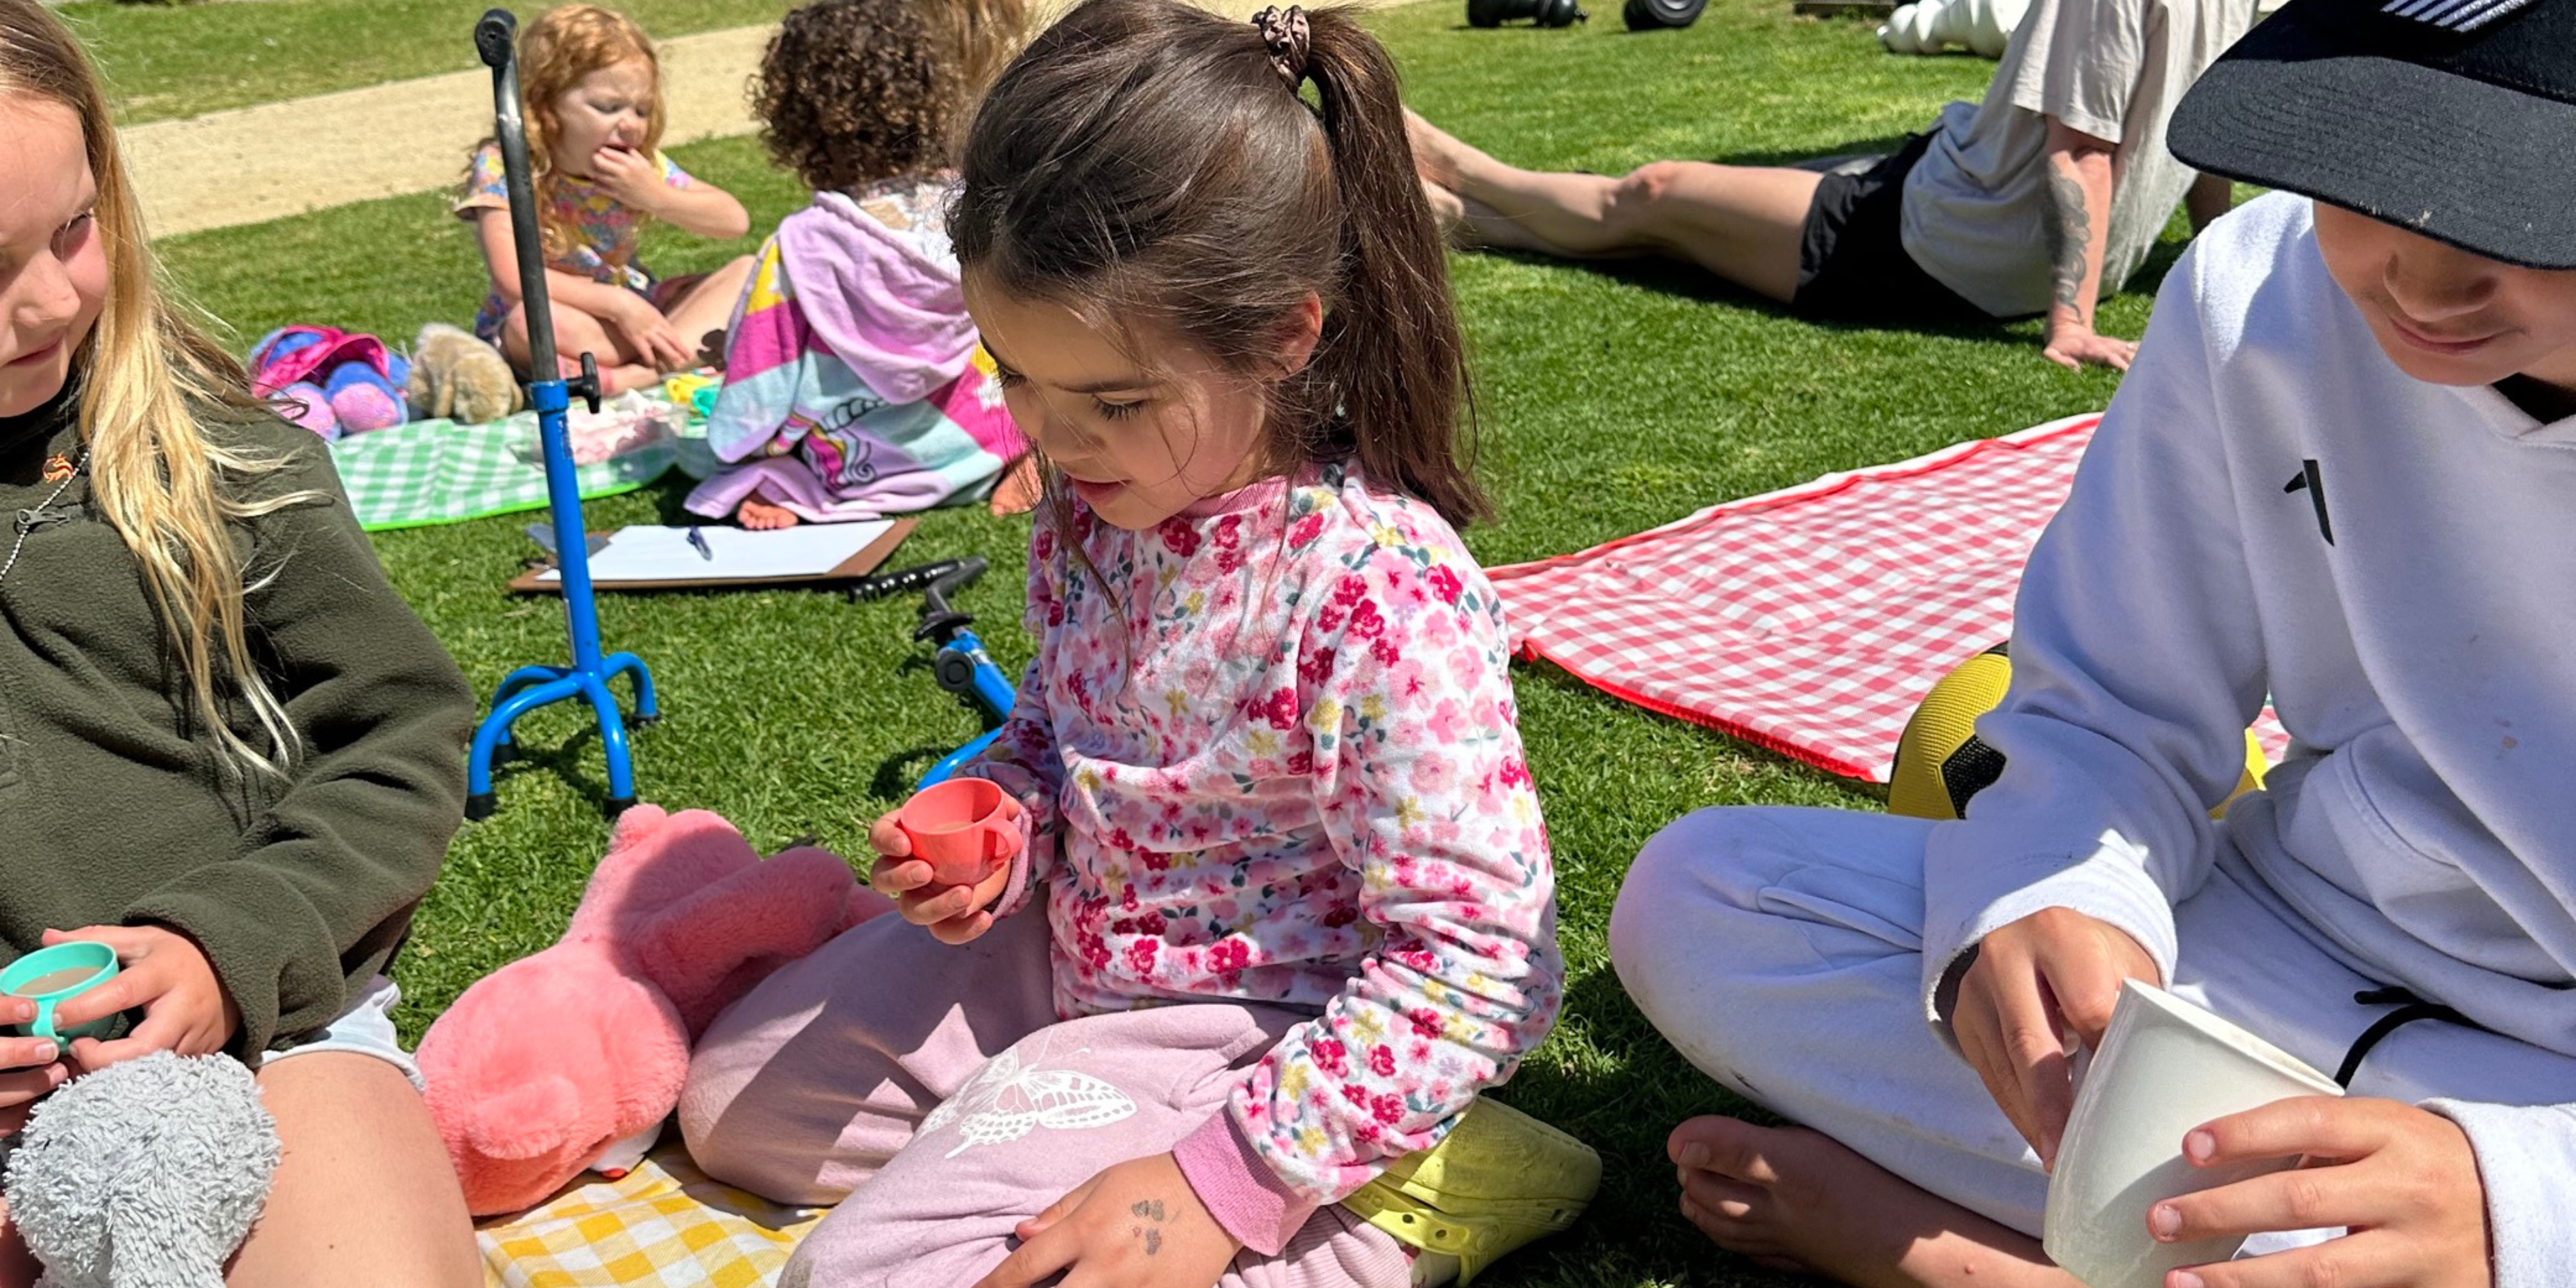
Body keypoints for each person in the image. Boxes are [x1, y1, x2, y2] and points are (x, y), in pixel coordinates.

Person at [1608, 1, 2576, 1285]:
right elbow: (2111, 703)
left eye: (2527, 206)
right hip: (2290, 948)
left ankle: (1971, 1262)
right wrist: (2050, 901)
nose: (2420, 277)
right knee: (1708, 896)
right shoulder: (2258, 292)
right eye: (2368, 170)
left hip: (2545, 1101)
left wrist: (2516, 1200)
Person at [676, 4, 1583, 1286]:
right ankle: (1054, 1126)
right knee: (738, 1108)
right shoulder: (1103, 511)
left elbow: (1488, 960)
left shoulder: (1375, 597)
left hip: (1260, 1020)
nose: (1055, 438)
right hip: (1083, 949)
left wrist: (1225, 1183)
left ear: (1285, 337)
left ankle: (1383, 1190)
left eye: (1111, 400)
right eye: (1014, 377)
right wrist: (1004, 811)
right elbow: (1063, 727)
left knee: (861, 1275)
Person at [0, 1, 481, 1284]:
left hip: (262, 1032)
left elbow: (406, 737)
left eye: (73, 232)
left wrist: (231, 946)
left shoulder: (228, 466)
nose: (45, 300)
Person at [1406, 0, 2250, 369]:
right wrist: (2209, 248)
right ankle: (1460, 216)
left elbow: (2079, 153)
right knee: (1672, 229)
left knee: (1656, 197)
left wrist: (2071, 321)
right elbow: (2212, 129)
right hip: (1957, 212)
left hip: (1935, 240)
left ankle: (1462, 169)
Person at [683, 0, 1037, 530]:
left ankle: (795, 486)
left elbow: (762, 385)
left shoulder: (803, 245)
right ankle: (1028, 454)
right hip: (984, 445)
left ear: (793, 120)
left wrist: (738, 440)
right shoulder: (970, 206)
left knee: (724, 454)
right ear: (930, 93)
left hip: (867, 472)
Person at [455, 4, 754, 395]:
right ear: (545, 106)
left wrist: (656, 196)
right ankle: (672, 361)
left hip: (633, 316)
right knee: (529, 323)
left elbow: (734, 221)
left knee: (750, 272)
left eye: (642, 109)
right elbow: (513, 279)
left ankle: (637, 377)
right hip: (568, 322)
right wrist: (617, 305)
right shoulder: (508, 164)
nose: (629, 123)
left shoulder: (639, 168)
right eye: (608, 108)